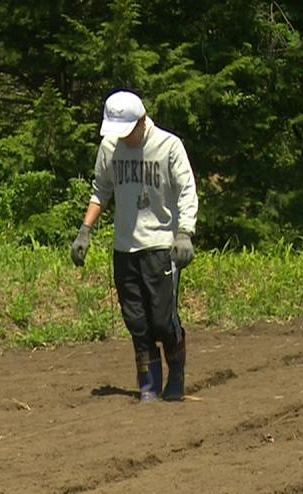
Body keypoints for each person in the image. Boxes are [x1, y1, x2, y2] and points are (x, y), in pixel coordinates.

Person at [70, 90, 198, 403]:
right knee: (137, 322)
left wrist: (184, 233)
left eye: (126, 131)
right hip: (125, 248)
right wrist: (85, 230)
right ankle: (148, 385)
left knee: (162, 320)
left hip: (160, 246)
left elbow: (186, 191)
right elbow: (101, 190)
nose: (122, 138)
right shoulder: (110, 147)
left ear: (141, 121)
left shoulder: (168, 146)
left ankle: (176, 375)